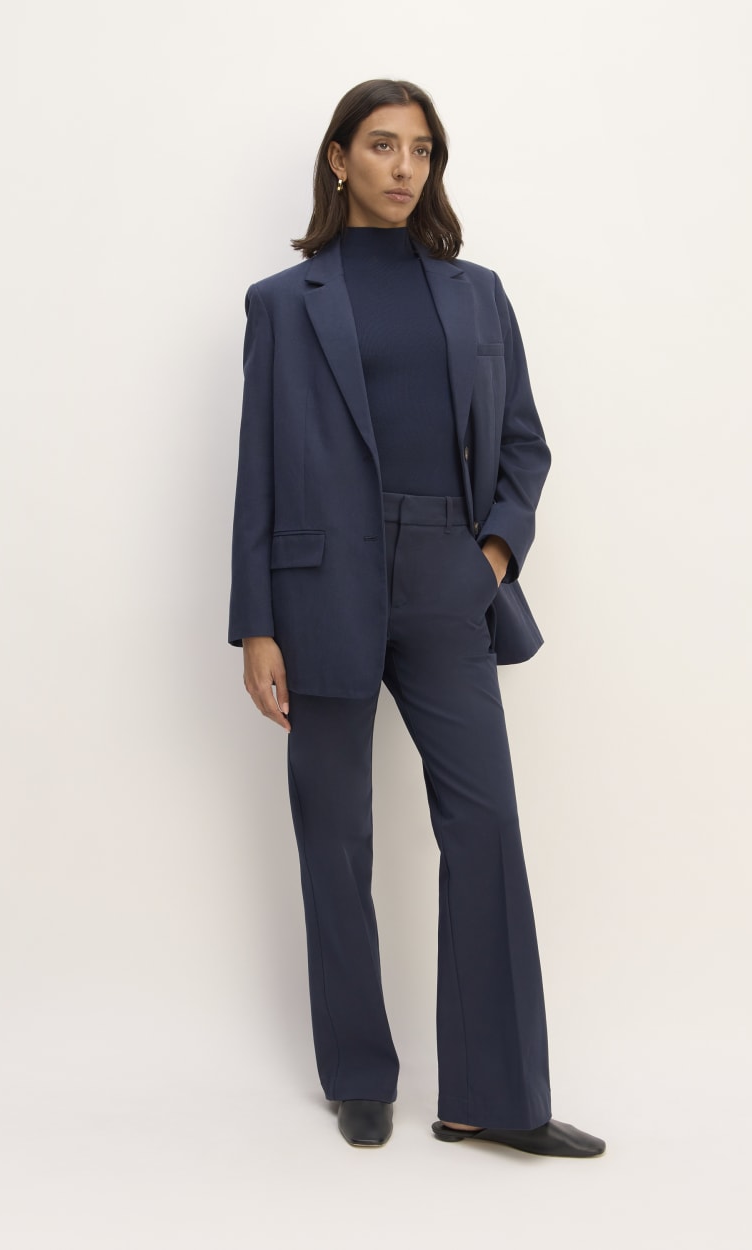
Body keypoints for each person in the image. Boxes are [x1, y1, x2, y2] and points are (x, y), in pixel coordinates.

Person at [228, 78, 605, 1158]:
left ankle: (491, 1097)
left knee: (483, 826)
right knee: (334, 836)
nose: (405, 167)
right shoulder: (283, 302)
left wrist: (490, 556)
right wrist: (256, 623)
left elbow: (523, 440)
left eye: (423, 150)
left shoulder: (477, 294)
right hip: (320, 586)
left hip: (447, 575)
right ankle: (359, 1074)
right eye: (383, 146)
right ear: (338, 158)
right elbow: (258, 468)